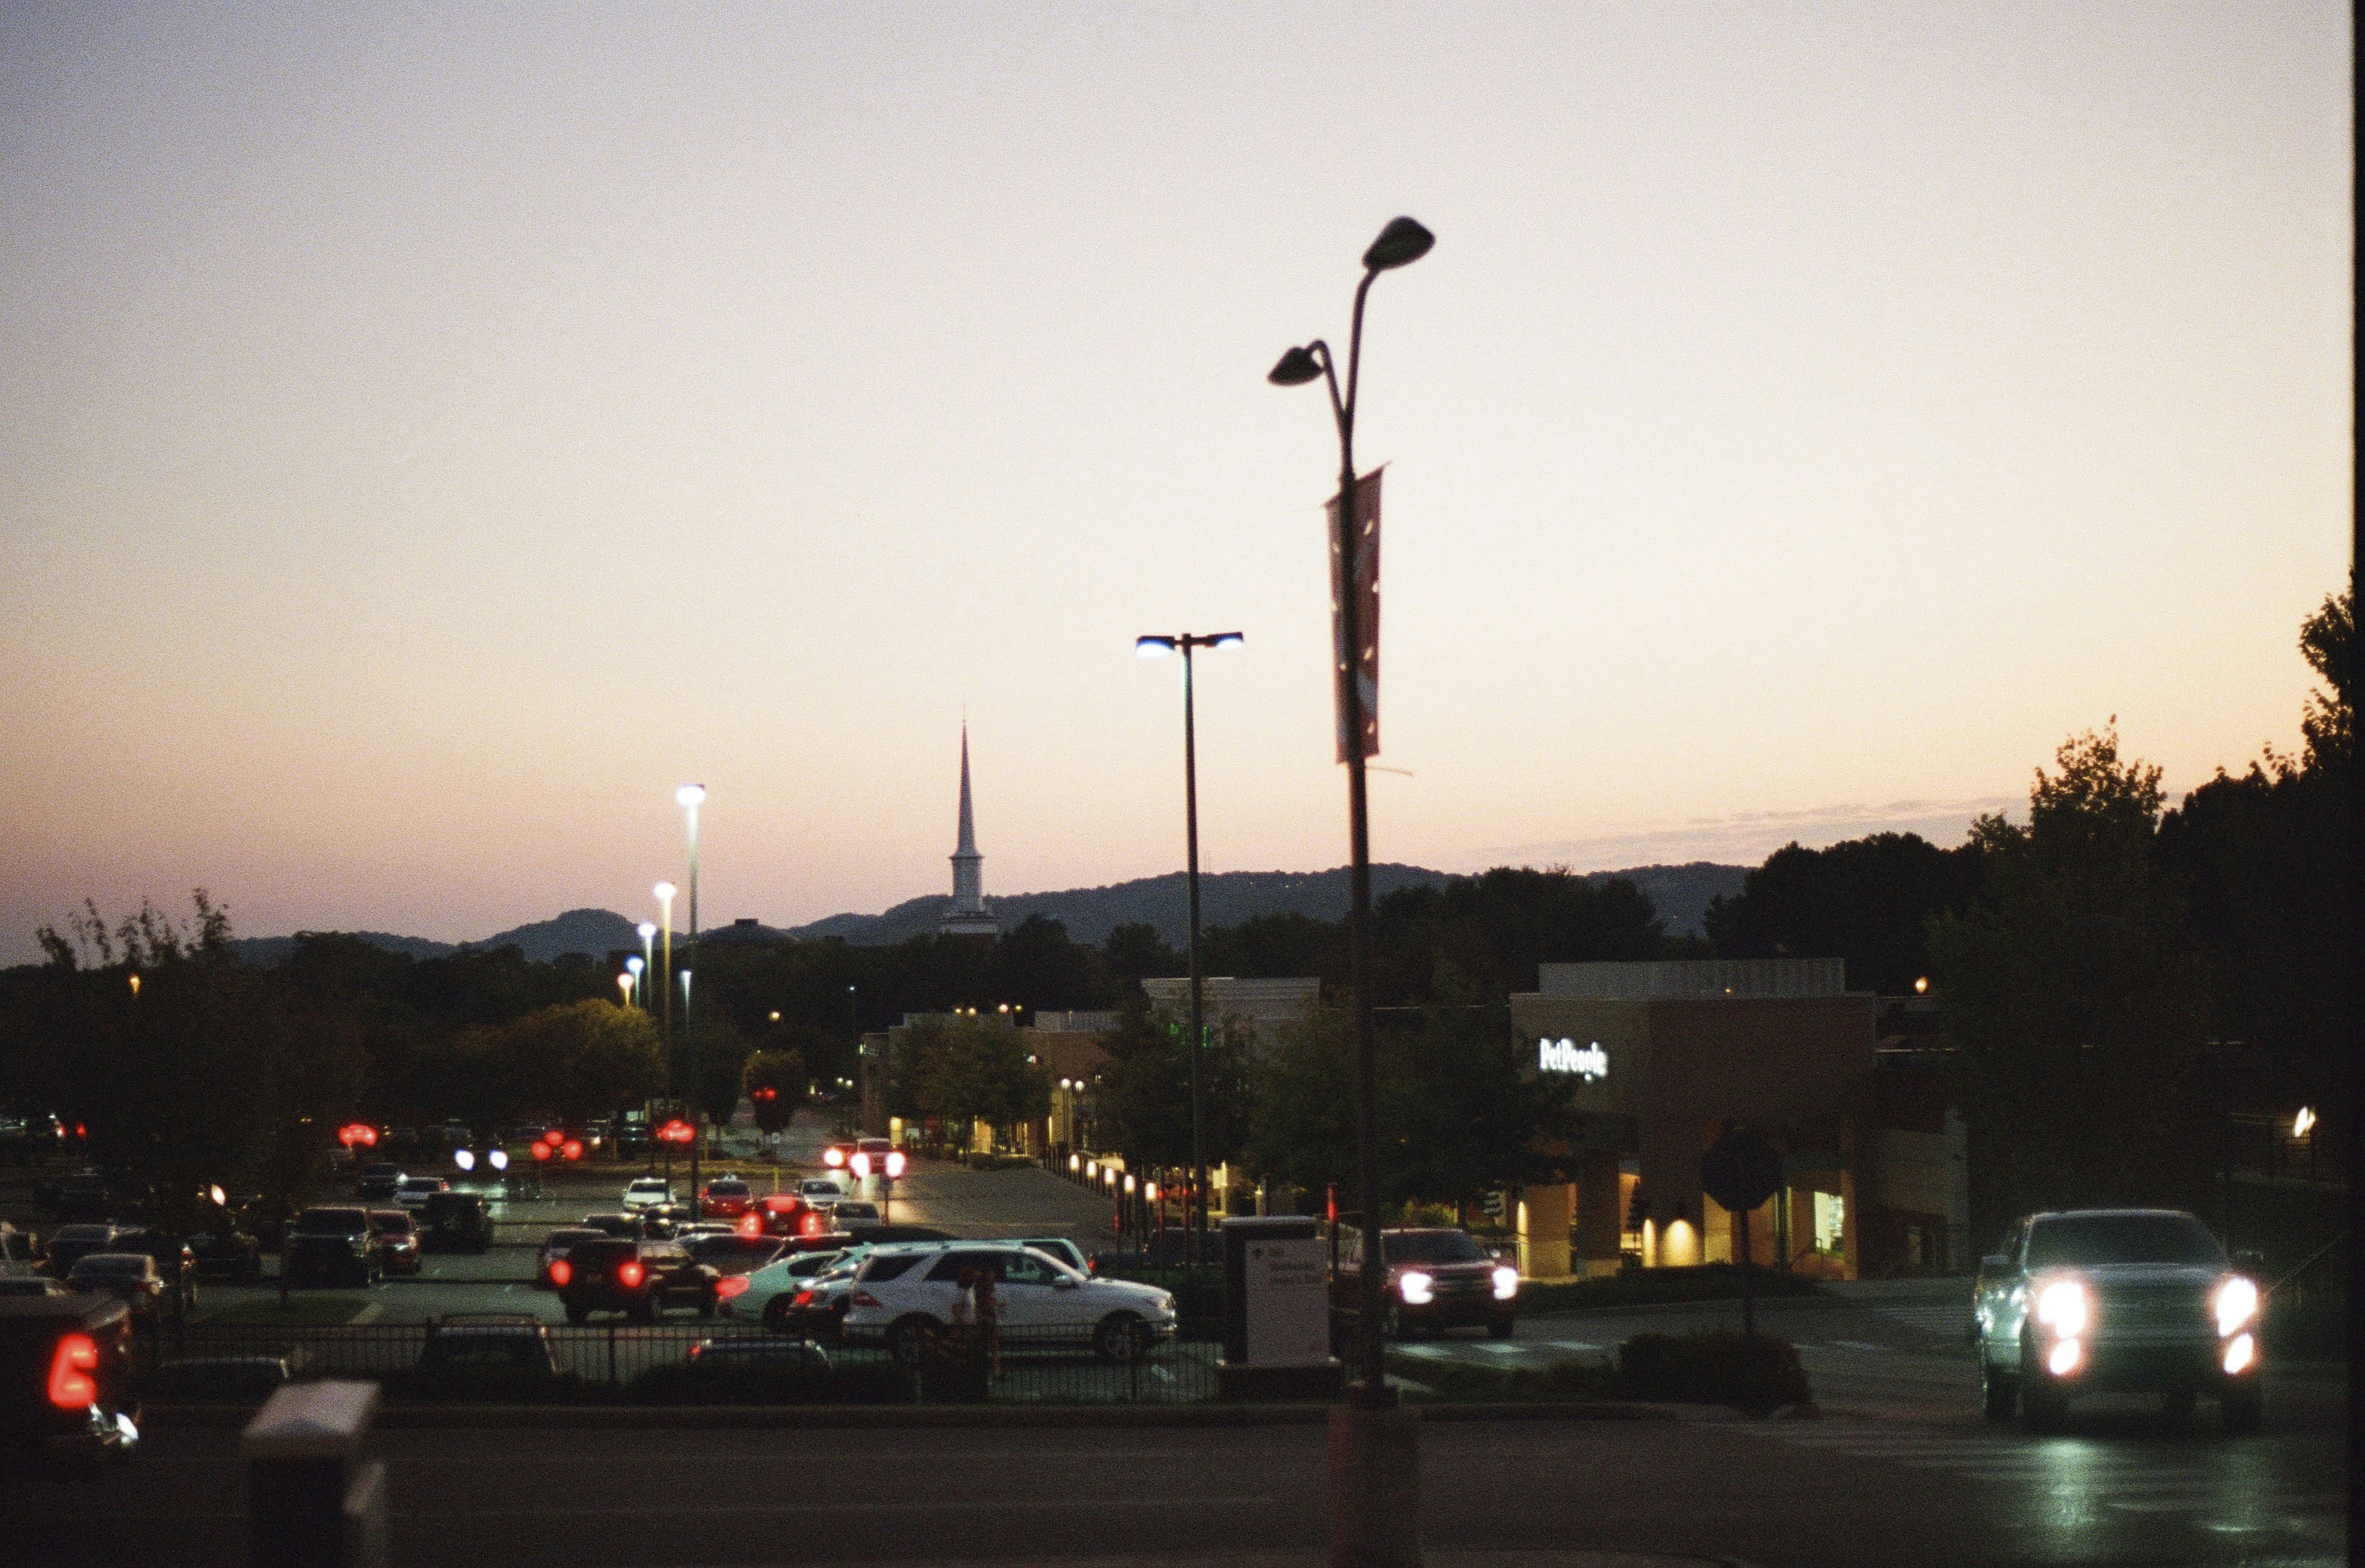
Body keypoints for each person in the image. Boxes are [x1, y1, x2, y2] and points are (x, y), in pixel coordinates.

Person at [974, 1263, 1002, 1379]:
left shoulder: (988, 1290)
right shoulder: (981, 1291)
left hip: (989, 1318)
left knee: (993, 1346)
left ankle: (997, 1371)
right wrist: (993, 1307)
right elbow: (980, 1307)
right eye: (991, 1276)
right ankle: (995, 1371)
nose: (993, 1279)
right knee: (989, 1346)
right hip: (986, 1319)